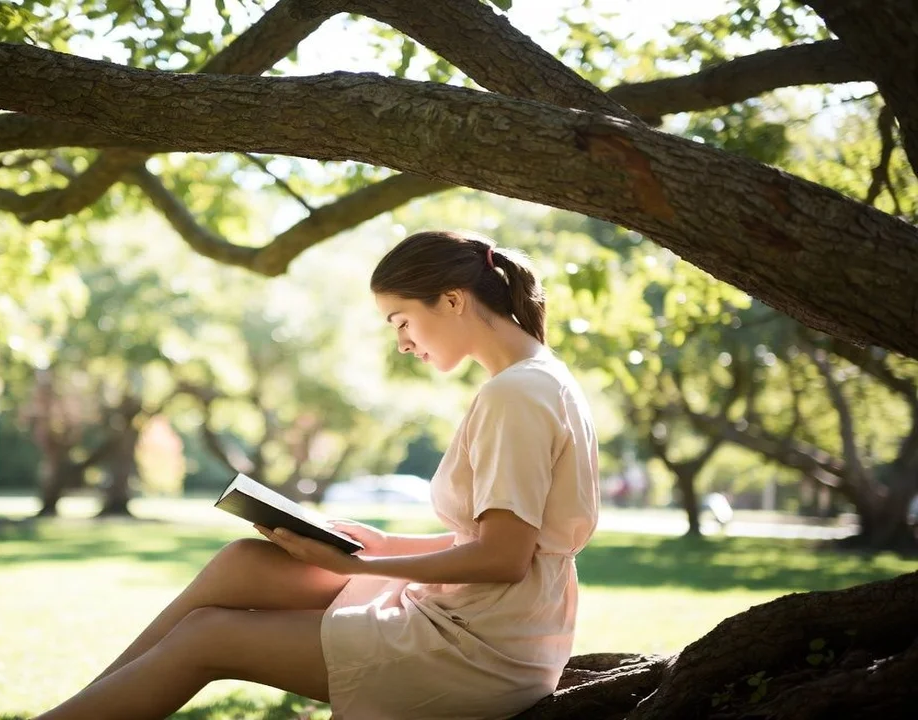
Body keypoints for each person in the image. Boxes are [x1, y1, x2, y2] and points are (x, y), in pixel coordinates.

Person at [31, 230, 600, 720]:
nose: (403, 343)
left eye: (402, 321)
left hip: (480, 648)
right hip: (488, 618)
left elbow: (504, 558)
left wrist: (362, 565)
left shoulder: (516, 394)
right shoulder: (534, 380)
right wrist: (383, 543)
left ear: (452, 300)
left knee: (208, 635)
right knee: (244, 564)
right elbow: (506, 541)